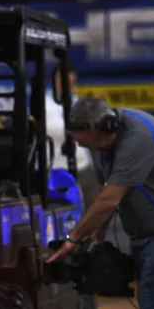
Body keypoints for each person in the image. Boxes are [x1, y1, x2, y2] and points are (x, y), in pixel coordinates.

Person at [45, 97, 154, 309]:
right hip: (147, 236)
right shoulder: (103, 143)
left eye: (92, 145)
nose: (92, 152)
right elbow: (107, 194)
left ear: (104, 127)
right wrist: (98, 231)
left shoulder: (139, 136)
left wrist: (73, 238)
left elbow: (110, 198)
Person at [46, 65, 100, 209]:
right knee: (65, 210)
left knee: (94, 206)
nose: (67, 84)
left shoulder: (81, 104)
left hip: (82, 163)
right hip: (56, 166)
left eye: (71, 80)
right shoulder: (46, 104)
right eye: (62, 80)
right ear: (55, 81)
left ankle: (93, 231)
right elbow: (50, 129)